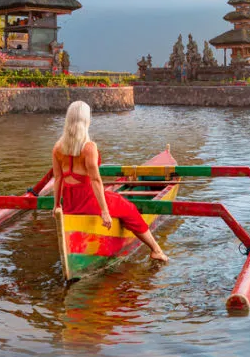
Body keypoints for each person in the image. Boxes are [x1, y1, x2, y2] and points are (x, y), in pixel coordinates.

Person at [52, 100, 168, 262]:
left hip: (70, 203)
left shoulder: (58, 147)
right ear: (86, 120)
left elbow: (58, 179)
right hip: (89, 202)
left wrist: (57, 206)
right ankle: (156, 250)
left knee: (116, 200)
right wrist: (105, 212)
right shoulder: (89, 147)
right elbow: (95, 181)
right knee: (129, 209)